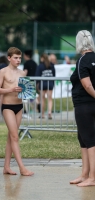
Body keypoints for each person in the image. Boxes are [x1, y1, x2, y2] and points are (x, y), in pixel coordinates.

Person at [0, 47, 34, 176]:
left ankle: (6, 166)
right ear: (9, 58)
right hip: (7, 106)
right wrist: (10, 90)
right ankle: (22, 168)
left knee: (11, 137)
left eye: (20, 58)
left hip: (19, 106)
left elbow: (26, 91)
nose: (18, 60)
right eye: (16, 58)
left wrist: (28, 92)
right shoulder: (3, 71)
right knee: (15, 137)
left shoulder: (22, 73)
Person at [70, 30, 95, 187]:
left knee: (90, 140)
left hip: (84, 105)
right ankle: (85, 173)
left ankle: (92, 177)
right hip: (87, 105)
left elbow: (87, 84)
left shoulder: (82, 60)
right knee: (84, 139)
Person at [36, 53, 55, 119]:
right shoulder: (51, 65)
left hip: (42, 83)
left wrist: (37, 85)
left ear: (42, 58)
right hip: (50, 83)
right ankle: (49, 112)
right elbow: (54, 75)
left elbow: (37, 76)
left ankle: (42, 114)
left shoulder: (40, 66)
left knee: (42, 99)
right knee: (50, 99)